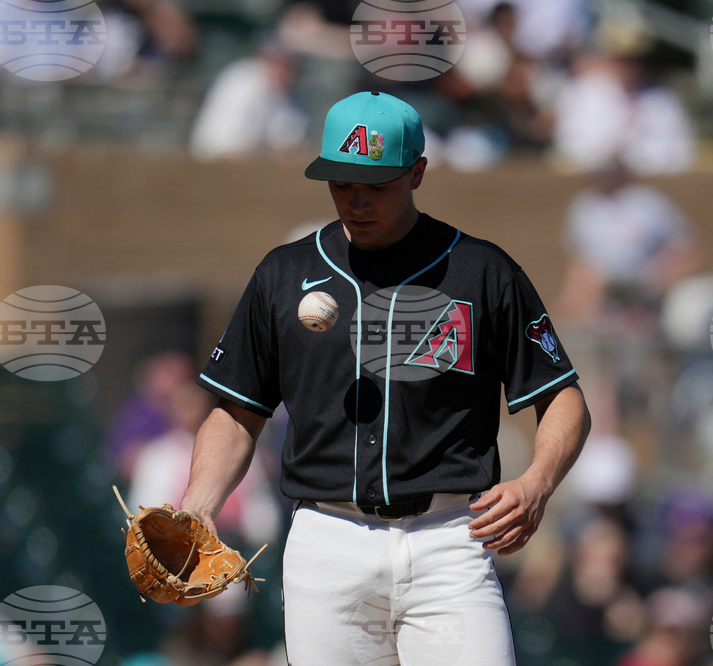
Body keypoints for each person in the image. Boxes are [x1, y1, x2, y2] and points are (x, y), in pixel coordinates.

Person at [180, 91, 591, 664]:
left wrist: (538, 481)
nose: (357, 200)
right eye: (342, 183)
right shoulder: (284, 273)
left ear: (417, 172)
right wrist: (199, 503)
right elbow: (238, 410)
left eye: (377, 184)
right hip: (327, 543)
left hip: (449, 538)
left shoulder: (481, 272)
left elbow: (561, 395)